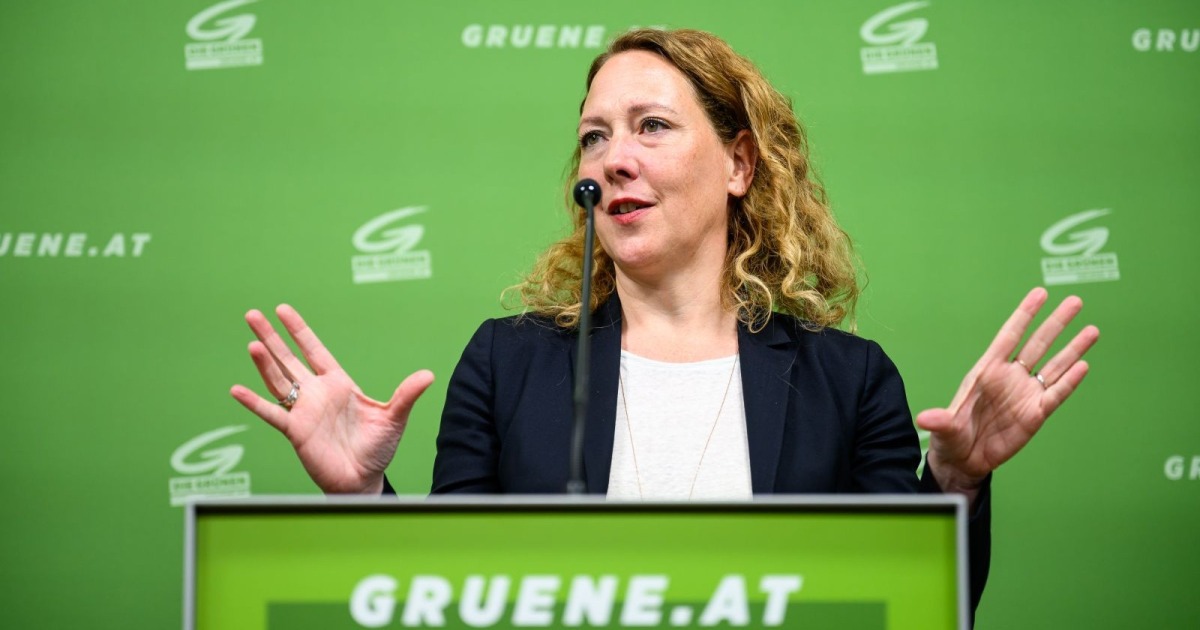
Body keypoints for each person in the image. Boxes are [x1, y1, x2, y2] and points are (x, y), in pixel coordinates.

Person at [230, 28, 1098, 619]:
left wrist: (956, 482)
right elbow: (452, 600)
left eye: (651, 127)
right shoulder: (508, 363)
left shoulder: (849, 380)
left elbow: (911, 611)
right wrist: (365, 500)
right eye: (594, 137)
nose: (615, 160)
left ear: (739, 162)